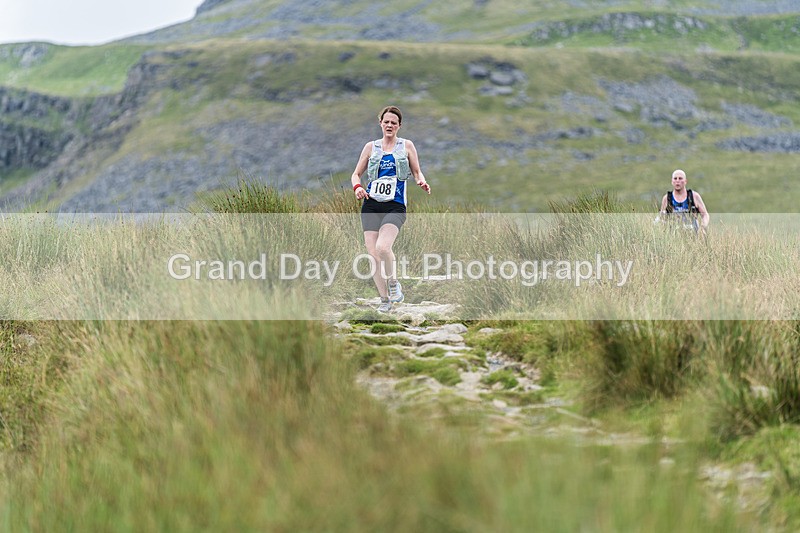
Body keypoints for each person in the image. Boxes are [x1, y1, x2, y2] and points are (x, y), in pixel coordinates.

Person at [351, 105, 431, 312]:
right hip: (371, 205)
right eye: (386, 122)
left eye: (393, 123)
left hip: (395, 205)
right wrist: (358, 188)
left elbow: (417, 172)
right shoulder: (371, 147)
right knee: (373, 255)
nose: (389, 125)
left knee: (383, 248)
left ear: (399, 126)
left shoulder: (407, 146)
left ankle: (394, 283)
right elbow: (355, 174)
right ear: (380, 123)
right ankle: (384, 301)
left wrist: (421, 182)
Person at [657, 169, 709, 234]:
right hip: (673, 236)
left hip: (693, 235)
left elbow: (705, 215)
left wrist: (702, 227)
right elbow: (662, 218)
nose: (677, 181)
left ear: (685, 181)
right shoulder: (667, 198)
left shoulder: (694, 196)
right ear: (672, 181)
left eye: (680, 178)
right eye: (675, 178)